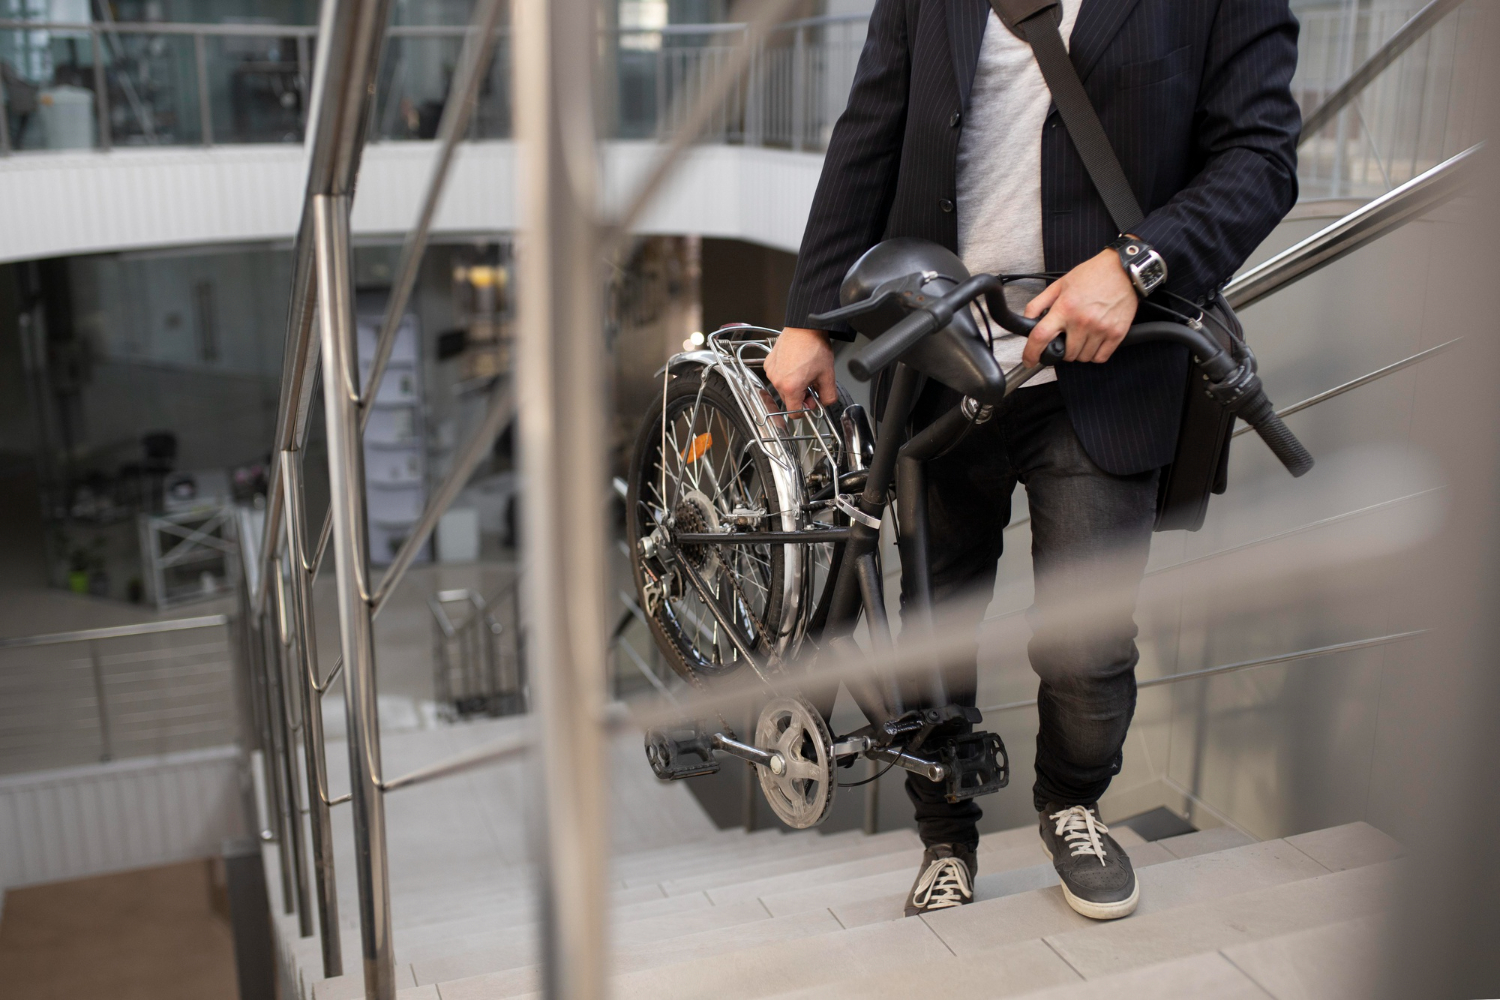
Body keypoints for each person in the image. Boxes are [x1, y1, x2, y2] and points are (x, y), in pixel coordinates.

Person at [765, 0, 1300, 920]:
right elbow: (873, 126)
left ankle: (1072, 804)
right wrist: (811, 315)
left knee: (1087, 648)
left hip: (1102, 368)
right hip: (936, 360)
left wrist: (1137, 265)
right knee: (934, 629)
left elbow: (1260, 157)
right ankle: (945, 837)